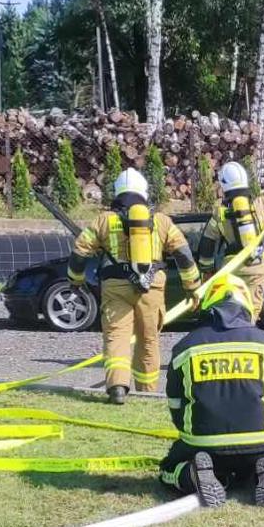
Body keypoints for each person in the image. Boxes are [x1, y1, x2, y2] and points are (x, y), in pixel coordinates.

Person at [159, 275, 264, 508]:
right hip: (261, 441)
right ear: (246, 304)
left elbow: (175, 404)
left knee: (168, 470)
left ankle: (193, 473)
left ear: (208, 305)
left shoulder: (185, 347)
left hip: (202, 442)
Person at [70, 168, 200, 403]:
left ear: (117, 192)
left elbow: (80, 251)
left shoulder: (103, 220)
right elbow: (183, 254)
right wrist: (193, 287)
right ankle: (148, 392)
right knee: (148, 340)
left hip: (116, 287)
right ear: (144, 192)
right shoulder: (161, 221)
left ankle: (118, 386)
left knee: (117, 337)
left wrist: (76, 280)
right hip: (151, 289)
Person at [201, 161, 264, 311]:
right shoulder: (262, 205)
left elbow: (207, 244)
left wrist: (207, 271)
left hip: (233, 268)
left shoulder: (220, 214)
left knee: (232, 310)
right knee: (252, 312)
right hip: (257, 267)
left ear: (224, 185)